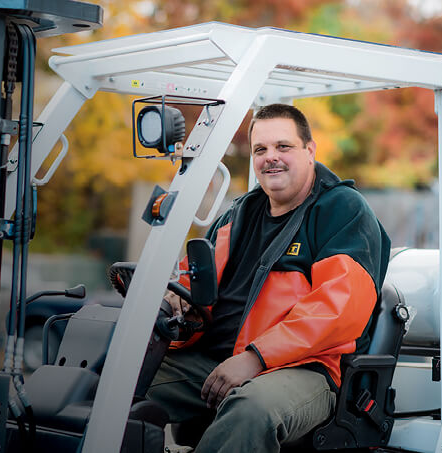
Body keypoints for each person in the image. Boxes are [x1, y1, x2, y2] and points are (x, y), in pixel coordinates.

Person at [146, 103, 390, 452]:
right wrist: (178, 300)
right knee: (124, 381)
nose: (270, 157)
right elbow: (195, 280)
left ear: (309, 150)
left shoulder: (342, 210)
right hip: (218, 358)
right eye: (261, 149)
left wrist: (256, 357)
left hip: (306, 369)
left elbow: (337, 309)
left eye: (283, 146)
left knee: (251, 410)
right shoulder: (240, 212)